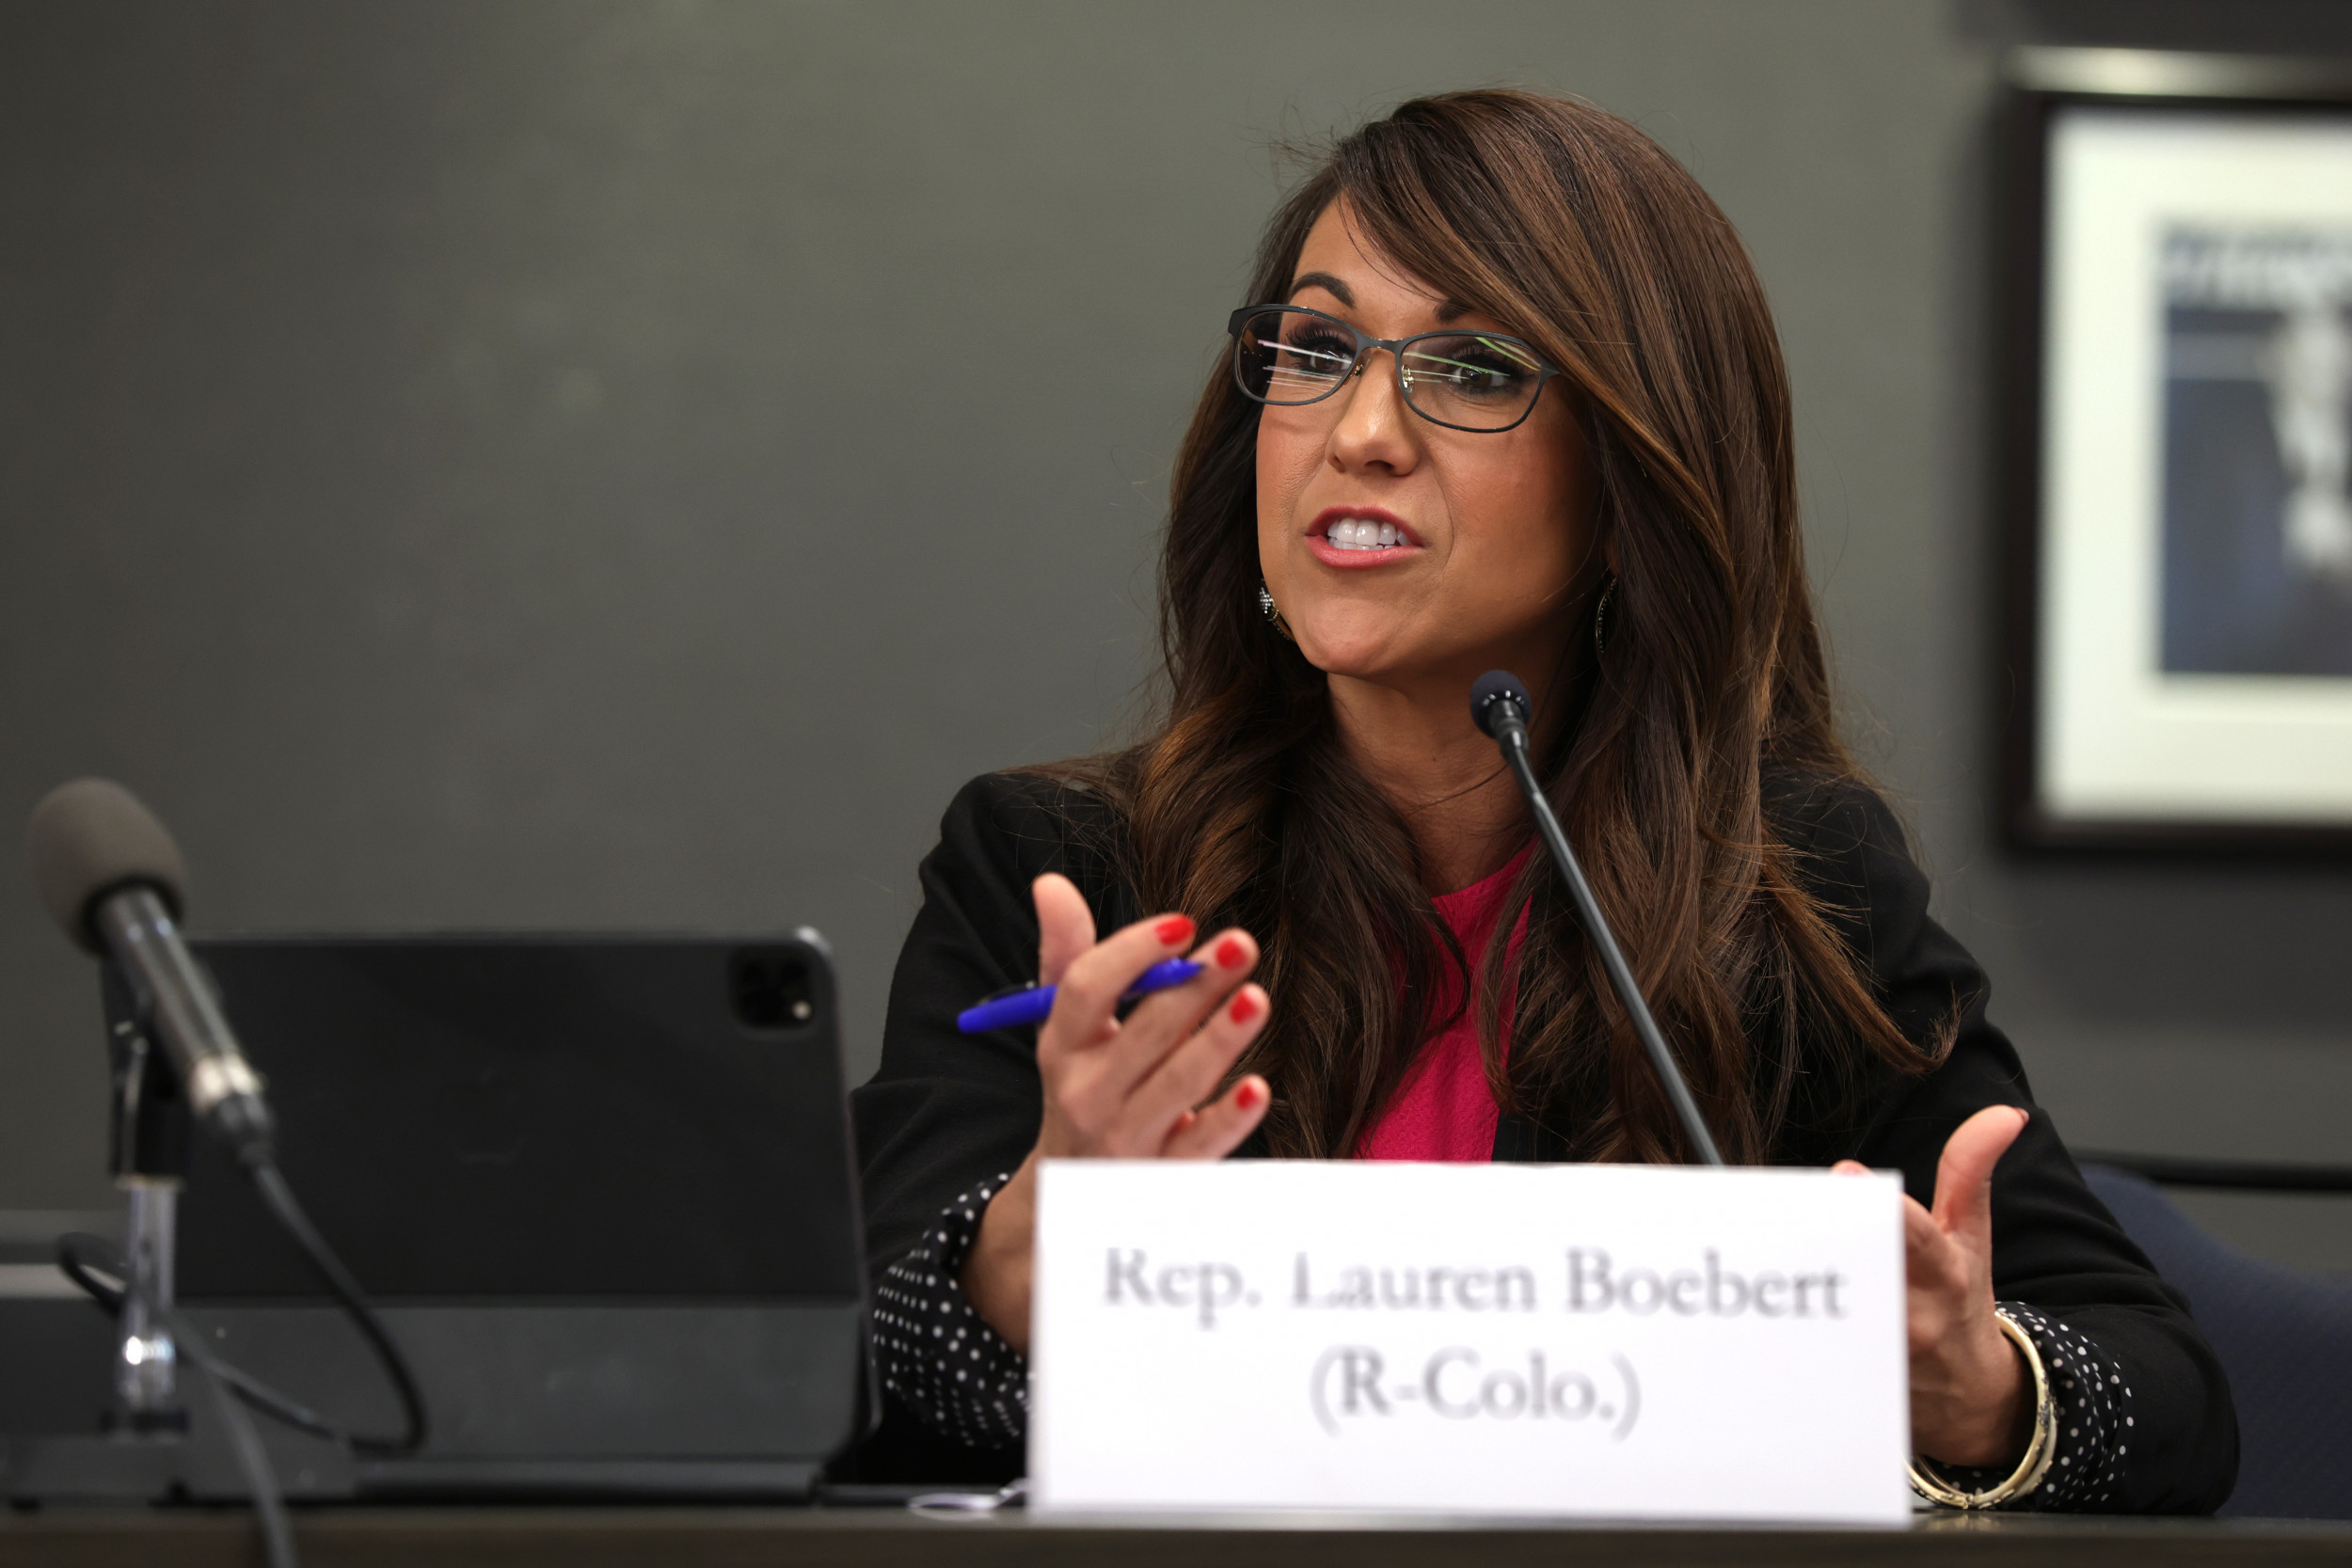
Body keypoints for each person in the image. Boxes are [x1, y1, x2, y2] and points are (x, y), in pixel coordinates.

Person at [848, 88, 2237, 1511]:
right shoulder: (1067, 879)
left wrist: (1974, 1386)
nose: (1363, 430)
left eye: (1471, 367)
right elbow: (831, 1382)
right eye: (1317, 349)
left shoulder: (1790, 891)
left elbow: (2170, 1400)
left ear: (1633, 483)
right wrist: (1022, 1260)